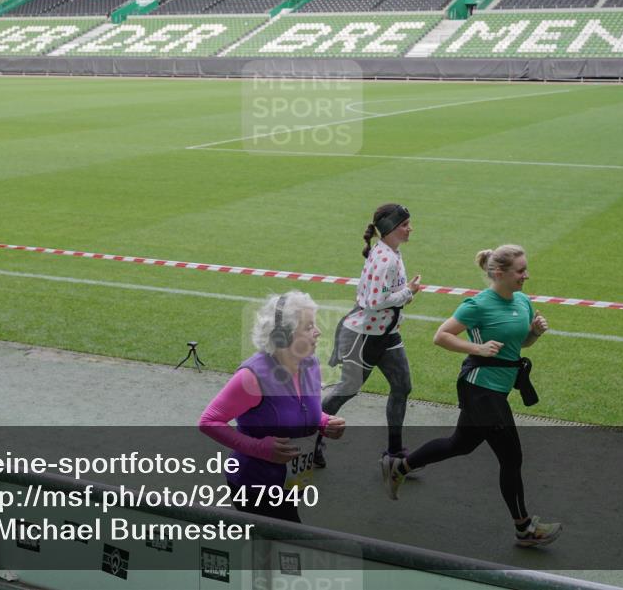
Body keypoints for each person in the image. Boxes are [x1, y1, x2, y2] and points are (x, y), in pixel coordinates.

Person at [379, 244, 561, 548]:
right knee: (512, 457)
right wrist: (476, 348)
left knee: (459, 444)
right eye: (520, 271)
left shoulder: (523, 302)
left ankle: (399, 466)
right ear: (500, 273)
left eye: (526, 269)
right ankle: (524, 528)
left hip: (497, 389)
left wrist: (535, 333)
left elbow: (521, 345)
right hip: (480, 389)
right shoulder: (477, 305)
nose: (526, 275)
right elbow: (442, 336)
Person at [199, 291, 345, 522]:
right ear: (283, 337)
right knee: (286, 547)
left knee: (272, 552)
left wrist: (324, 421)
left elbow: (301, 409)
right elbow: (209, 421)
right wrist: (260, 448)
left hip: (290, 484)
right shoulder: (253, 376)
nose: (318, 332)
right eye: (308, 327)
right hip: (254, 487)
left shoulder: (310, 364)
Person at [314, 203, 421, 467]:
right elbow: (375, 301)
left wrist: (402, 296)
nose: (410, 228)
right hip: (365, 336)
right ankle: (310, 436)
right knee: (346, 391)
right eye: (405, 224)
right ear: (391, 228)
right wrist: (408, 293)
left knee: (402, 387)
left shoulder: (390, 252)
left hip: (385, 334)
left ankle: (394, 452)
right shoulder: (385, 259)